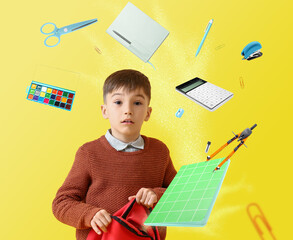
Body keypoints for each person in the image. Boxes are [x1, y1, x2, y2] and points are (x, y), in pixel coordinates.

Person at [52, 69, 177, 240]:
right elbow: (61, 203)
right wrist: (90, 214)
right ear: (105, 111)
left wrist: (156, 195)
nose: (128, 110)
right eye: (118, 102)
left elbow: (179, 195)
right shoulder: (88, 153)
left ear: (148, 113)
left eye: (137, 103)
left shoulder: (160, 151)